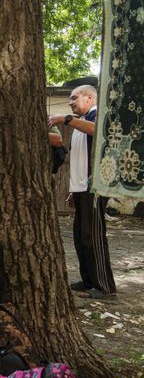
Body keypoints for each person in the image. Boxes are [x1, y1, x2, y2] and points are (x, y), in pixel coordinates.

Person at [48, 84, 117, 299]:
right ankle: (88, 281)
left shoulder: (97, 116)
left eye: (74, 98)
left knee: (93, 236)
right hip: (80, 190)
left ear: (89, 97)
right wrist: (72, 190)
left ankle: (105, 287)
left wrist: (66, 118)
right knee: (80, 237)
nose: (70, 102)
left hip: (93, 189)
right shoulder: (81, 123)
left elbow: (97, 131)